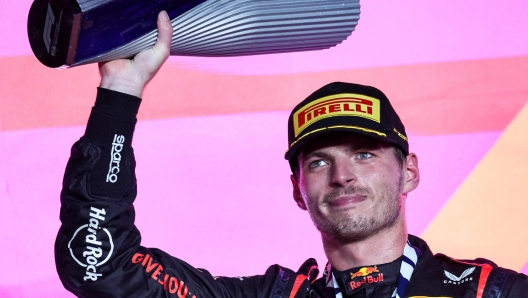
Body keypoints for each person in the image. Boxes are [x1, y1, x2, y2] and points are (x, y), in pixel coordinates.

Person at [55, 11, 528, 298]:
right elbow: (99, 265)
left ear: (408, 172)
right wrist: (121, 91)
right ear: (298, 191)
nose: (342, 175)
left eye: (363, 154)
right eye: (319, 162)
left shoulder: (489, 292)